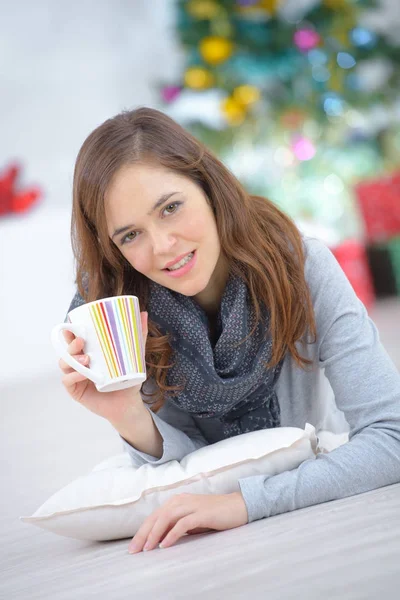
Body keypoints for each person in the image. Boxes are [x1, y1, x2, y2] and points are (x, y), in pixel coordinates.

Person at [60, 107, 400, 554]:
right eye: (130, 236)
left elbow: (390, 437)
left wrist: (245, 503)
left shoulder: (301, 267)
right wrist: (127, 414)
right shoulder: (125, 314)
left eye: (171, 207)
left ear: (209, 187)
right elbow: (192, 471)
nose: (162, 246)